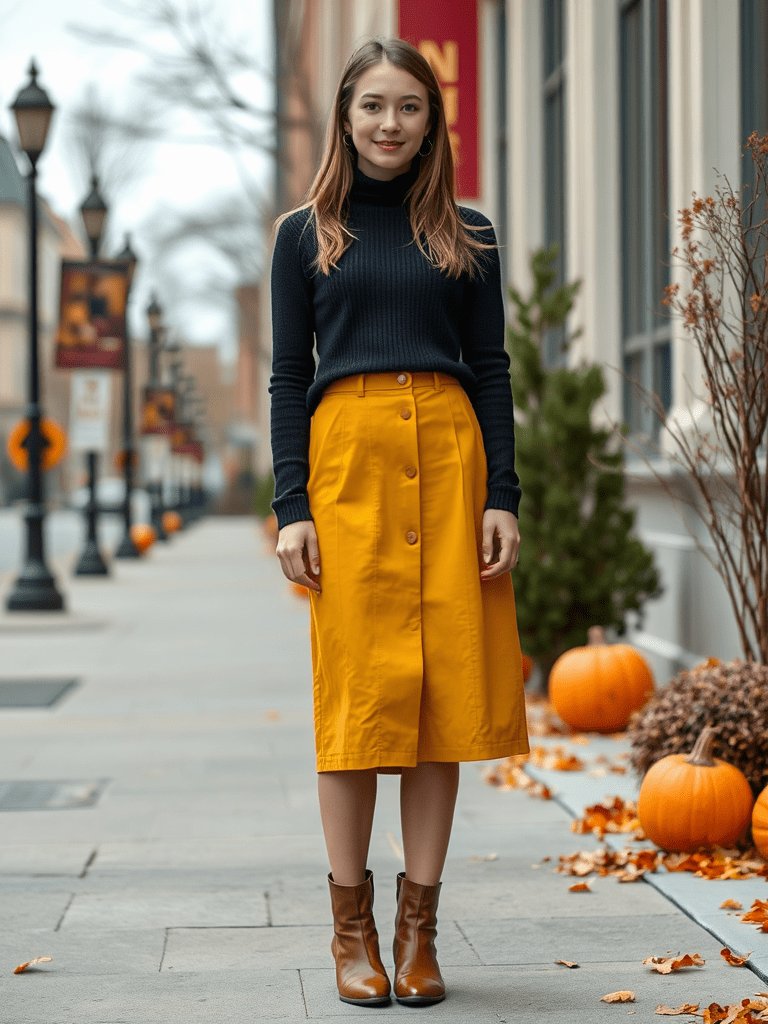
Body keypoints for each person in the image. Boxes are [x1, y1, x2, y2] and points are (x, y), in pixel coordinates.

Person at [268, 36, 530, 1008]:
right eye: (373, 105)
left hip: (451, 465)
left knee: (439, 706)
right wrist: (291, 505)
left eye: (409, 108)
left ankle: (419, 931)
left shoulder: (471, 233)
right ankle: (352, 931)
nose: (390, 124)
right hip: (350, 471)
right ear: (345, 116)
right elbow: (289, 374)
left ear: (433, 121)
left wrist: (503, 491)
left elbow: (493, 367)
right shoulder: (306, 232)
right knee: (357, 711)